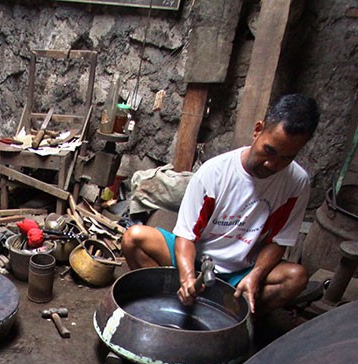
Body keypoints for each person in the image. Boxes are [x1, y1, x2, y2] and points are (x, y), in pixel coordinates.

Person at [121, 93, 319, 315]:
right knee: (133, 238)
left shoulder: (297, 183)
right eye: (269, 150)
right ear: (257, 130)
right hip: (196, 259)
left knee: (295, 278)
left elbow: (278, 242)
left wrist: (255, 276)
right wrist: (187, 278)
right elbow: (186, 236)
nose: (272, 164)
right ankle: (172, 304)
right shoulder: (215, 172)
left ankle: (235, 318)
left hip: (241, 270)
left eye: (286, 158)